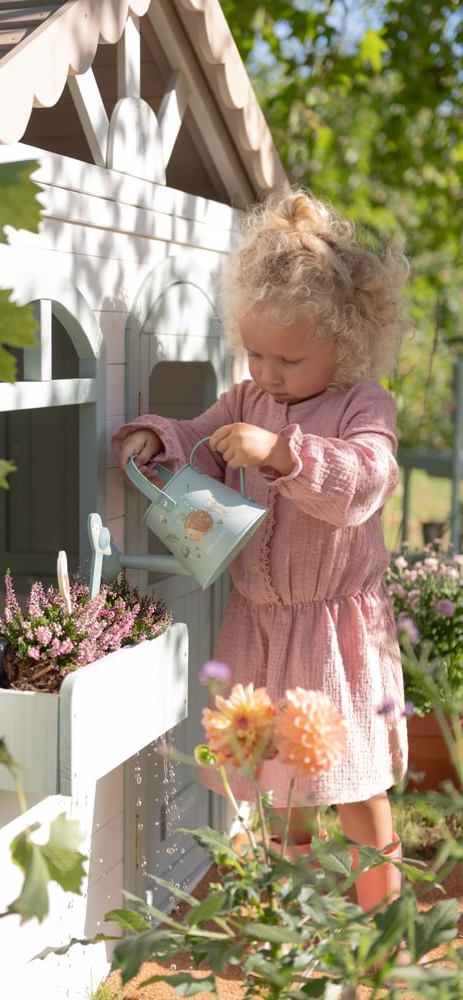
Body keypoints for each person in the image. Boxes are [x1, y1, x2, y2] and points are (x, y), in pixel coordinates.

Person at [113, 190, 411, 918]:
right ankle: (292, 919)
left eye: (288, 357)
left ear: (346, 343)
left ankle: (384, 923)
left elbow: (364, 482)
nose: (268, 372)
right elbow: (202, 440)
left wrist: (281, 453)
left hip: (332, 630)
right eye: (253, 353)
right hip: (261, 620)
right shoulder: (246, 399)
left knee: (352, 785)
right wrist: (161, 438)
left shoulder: (362, 404)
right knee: (276, 786)